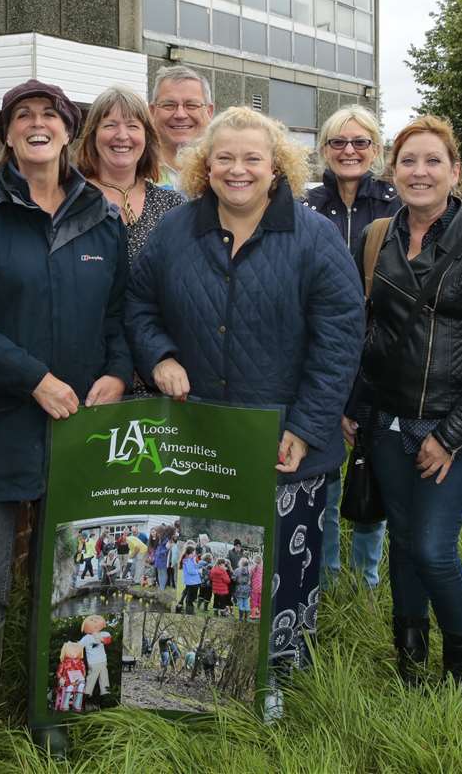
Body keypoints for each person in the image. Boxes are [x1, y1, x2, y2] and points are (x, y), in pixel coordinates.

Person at [126, 107, 363, 718]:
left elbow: (339, 339)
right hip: (198, 437)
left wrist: (307, 428)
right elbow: (138, 304)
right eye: (224, 157)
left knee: (282, 563)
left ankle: (274, 680)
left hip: (285, 439)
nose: (238, 169)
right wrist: (159, 358)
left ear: (277, 166)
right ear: (205, 165)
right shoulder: (175, 232)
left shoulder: (314, 237)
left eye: (252, 158)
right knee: (207, 562)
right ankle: (195, 682)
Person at [0, 79, 131, 763]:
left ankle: (58, 712)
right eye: (24, 116)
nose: (38, 124)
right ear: (8, 134)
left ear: (69, 132)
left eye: (50, 115)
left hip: (80, 431)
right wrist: (32, 379)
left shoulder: (101, 218)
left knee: (72, 577)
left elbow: (121, 317)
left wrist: (117, 371)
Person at [345, 115, 462, 698]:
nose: (420, 171)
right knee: (400, 536)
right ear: (392, 172)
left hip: (451, 424)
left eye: (432, 161)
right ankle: (409, 650)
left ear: (455, 171)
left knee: (432, 548)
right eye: (408, 161)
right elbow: (366, 330)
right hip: (386, 419)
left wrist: (452, 435)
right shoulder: (377, 236)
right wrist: (354, 405)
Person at [305, 105, 399, 593]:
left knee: (371, 463)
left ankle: (366, 578)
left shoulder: (395, 204)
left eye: (361, 142)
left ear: (376, 150)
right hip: (318, 352)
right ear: (324, 149)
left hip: (379, 351)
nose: (349, 151)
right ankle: (326, 572)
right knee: (325, 469)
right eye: (339, 143)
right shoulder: (303, 205)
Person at [74, 85, 186, 264]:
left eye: (132, 126)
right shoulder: (70, 200)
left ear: (147, 137)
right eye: (110, 125)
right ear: (93, 135)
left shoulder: (173, 206)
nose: (122, 135)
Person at [147, 64, 215, 190]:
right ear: (152, 111)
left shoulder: (222, 170)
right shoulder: (135, 170)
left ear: (209, 111)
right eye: (169, 105)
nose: (180, 115)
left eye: (191, 105)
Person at [79, 615, 113, 700]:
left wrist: (98, 637)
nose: (95, 623)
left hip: (103, 661)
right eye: (92, 621)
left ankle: (105, 693)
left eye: (96, 621)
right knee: (92, 677)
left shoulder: (104, 634)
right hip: (93, 662)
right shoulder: (86, 638)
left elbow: (108, 641)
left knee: (104, 677)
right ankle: (87, 693)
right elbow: (78, 646)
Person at [54, 643, 87, 713]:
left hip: (78, 680)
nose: (74, 653)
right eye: (71, 651)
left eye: (76, 651)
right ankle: (65, 705)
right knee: (70, 686)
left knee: (82, 685)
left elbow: (83, 673)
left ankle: (77, 705)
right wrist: (60, 678)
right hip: (67, 681)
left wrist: (81, 677)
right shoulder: (64, 663)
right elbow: (59, 673)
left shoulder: (81, 663)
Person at [178, 546, 203, 613]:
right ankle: (189, 612)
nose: (195, 554)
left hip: (193, 582)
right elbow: (191, 571)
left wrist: (195, 562)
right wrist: (199, 571)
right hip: (192, 583)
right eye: (193, 553)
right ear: (190, 554)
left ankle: (188, 610)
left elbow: (195, 567)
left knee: (189, 599)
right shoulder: (188, 561)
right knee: (190, 600)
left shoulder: (191, 560)